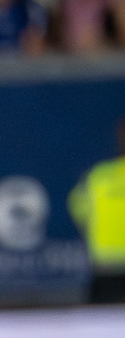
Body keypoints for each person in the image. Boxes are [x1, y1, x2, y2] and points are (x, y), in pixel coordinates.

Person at [69, 117, 125, 301]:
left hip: (106, 270)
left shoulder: (97, 177)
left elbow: (79, 211)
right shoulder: (97, 177)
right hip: (105, 272)